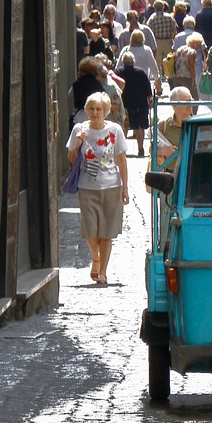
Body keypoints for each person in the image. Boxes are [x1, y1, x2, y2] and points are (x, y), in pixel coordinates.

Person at [66, 92, 129, 286]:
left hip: (111, 186)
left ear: (106, 111)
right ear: (87, 110)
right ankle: (95, 258)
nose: (95, 112)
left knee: (106, 234)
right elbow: (71, 158)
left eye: (99, 109)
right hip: (87, 187)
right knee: (90, 232)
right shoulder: (79, 129)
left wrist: (125, 188)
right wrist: (78, 143)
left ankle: (102, 273)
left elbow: (121, 159)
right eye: (91, 109)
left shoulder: (115, 130)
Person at [118, 53, 152, 157]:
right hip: (139, 103)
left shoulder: (119, 72)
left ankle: (122, 150)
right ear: (133, 61)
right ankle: (140, 149)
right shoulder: (141, 72)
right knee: (139, 127)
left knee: (124, 126)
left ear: (123, 61)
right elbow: (148, 90)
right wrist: (150, 101)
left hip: (125, 102)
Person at [154, 87, 195, 168]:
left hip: (193, 176)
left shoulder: (198, 124)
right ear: (174, 105)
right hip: (170, 177)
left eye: (191, 100)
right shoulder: (163, 125)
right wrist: (163, 151)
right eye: (186, 102)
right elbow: (151, 150)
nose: (190, 104)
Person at [69, 56, 104, 129]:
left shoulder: (77, 84)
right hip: (95, 119)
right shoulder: (98, 85)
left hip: (79, 119)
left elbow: (69, 96)